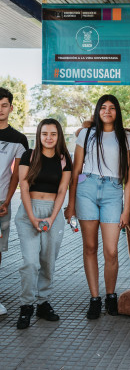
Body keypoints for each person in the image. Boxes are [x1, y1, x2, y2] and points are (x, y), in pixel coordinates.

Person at [65, 95, 130, 319]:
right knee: (89, 247)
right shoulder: (86, 134)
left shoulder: (127, 138)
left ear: (117, 112)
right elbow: (75, 171)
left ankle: (110, 295)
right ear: (97, 111)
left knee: (112, 251)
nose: (107, 111)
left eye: (112, 108)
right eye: (103, 107)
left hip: (113, 192)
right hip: (87, 188)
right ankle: (95, 298)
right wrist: (71, 204)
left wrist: (126, 209)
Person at [15, 119, 72, 329]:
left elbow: (62, 191)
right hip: (29, 211)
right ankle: (26, 306)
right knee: (30, 262)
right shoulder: (28, 156)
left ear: (59, 137)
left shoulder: (65, 159)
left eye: (53, 134)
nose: (49, 138)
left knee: (48, 261)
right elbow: (23, 186)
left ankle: (43, 302)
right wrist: (32, 217)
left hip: (52, 213)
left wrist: (51, 217)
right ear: (39, 135)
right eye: (45, 133)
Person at [0, 87, 29, 316]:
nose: (0, 110)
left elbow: (17, 175)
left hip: (1, 202)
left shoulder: (18, 139)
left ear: (10, 107)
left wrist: (8, 201)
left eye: (4, 105)